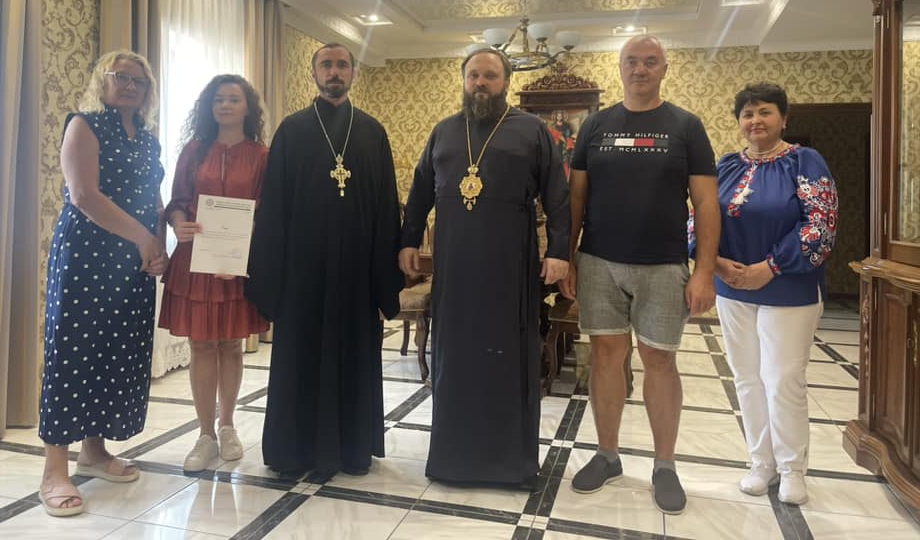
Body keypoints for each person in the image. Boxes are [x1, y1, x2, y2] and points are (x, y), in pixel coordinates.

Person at [560, 35, 719, 514]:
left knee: (660, 360)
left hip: (664, 265)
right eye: (632, 61)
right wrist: (568, 257)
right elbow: (577, 198)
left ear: (664, 69)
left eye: (651, 61)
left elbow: (706, 202)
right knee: (606, 356)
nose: (641, 69)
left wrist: (704, 271)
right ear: (620, 67)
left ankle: (664, 465)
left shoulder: (686, 126)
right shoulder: (595, 125)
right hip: (599, 261)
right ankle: (607, 456)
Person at [399, 47, 570, 487]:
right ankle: (452, 460)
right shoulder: (444, 131)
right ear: (463, 80)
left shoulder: (532, 130)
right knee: (454, 358)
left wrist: (559, 251)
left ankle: (509, 464)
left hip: (510, 264)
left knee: (507, 358)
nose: (480, 83)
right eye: (473, 75)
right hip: (455, 265)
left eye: (490, 76)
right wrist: (408, 240)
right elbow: (420, 191)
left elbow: (557, 194)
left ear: (506, 82)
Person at [246, 43, 403, 480]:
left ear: (353, 72)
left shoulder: (372, 131)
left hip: (356, 272)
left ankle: (353, 451)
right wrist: (272, 275)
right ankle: (292, 451)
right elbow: (274, 206)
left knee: (353, 356)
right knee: (300, 358)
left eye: (342, 65)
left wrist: (384, 274)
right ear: (314, 72)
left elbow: (387, 206)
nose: (335, 72)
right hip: (303, 272)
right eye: (326, 65)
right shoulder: (292, 130)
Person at [692, 82, 837, 505]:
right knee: (746, 377)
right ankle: (762, 462)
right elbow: (698, 218)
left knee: (783, 379)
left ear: (783, 118)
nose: (755, 120)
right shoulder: (725, 166)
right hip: (732, 287)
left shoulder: (805, 162)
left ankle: (792, 468)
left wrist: (769, 267)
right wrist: (716, 263)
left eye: (765, 112)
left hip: (788, 287)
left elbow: (821, 224)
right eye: (748, 114)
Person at [39, 50, 167, 516]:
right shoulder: (84, 125)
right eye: (120, 77)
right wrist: (143, 239)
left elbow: (153, 197)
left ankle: (94, 452)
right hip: (87, 256)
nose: (130, 86)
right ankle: (54, 469)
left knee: (117, 351)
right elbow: (83, 195)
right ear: (103, 81)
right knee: (73, 352)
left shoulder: (148, 140)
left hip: (133, 262)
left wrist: (160, 245)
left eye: (139, 81)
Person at [159, 75, 270, 471]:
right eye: (218, 99)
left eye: (233, 99)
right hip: (196, 262)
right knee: (202, 346)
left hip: (237, 263)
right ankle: (204, 434)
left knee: (231, 345)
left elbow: (267, 209)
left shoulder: (262, 155)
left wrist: (242, 242)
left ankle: (227, 426)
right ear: (209, 106)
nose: (225, 105)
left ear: (247, 107)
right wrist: (178, 223)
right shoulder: (193, 151)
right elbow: (177, 202)